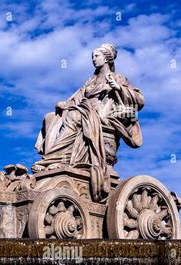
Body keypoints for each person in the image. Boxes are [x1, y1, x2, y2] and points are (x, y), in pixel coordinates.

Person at [32, 43, 144, 201]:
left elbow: (139, 100)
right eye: (92, 56)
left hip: (102, 114)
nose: (93, 59)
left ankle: (56, 159)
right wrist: (65, 104)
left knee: (74, 117)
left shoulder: (118, 78)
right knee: (50, 117)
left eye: (96, 56)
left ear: (107, 58)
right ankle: (51, 160)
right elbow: (77, 98)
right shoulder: (91, 81)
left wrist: (119, 88)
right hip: (85, 110)